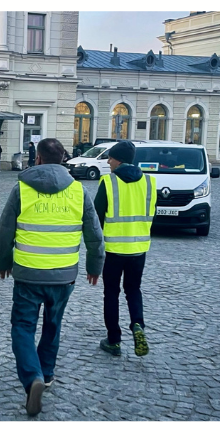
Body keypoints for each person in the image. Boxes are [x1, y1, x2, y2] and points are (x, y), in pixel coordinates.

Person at [0, 138, 104, 416]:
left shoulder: (22, 189)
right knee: (53, 325)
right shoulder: (79, 191)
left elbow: (4, 232)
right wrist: (95, 267)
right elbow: (94, 234)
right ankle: (48, 372)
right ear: (64, 159)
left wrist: (4, 262)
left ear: (38, 159)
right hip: (64, 275)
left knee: (22, 327)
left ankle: (33, 378)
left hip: (28, 274)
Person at [93, 141, 156, 358]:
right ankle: (137, 325)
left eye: (111, 157)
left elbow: (96, 217)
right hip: (139, 248)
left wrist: (95, 247)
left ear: (119, 160)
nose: (108, 161)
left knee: (111, 293)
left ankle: (114, 340)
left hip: (113, 249)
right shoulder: (149, 182)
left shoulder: (108, 182)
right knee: (133, 290)